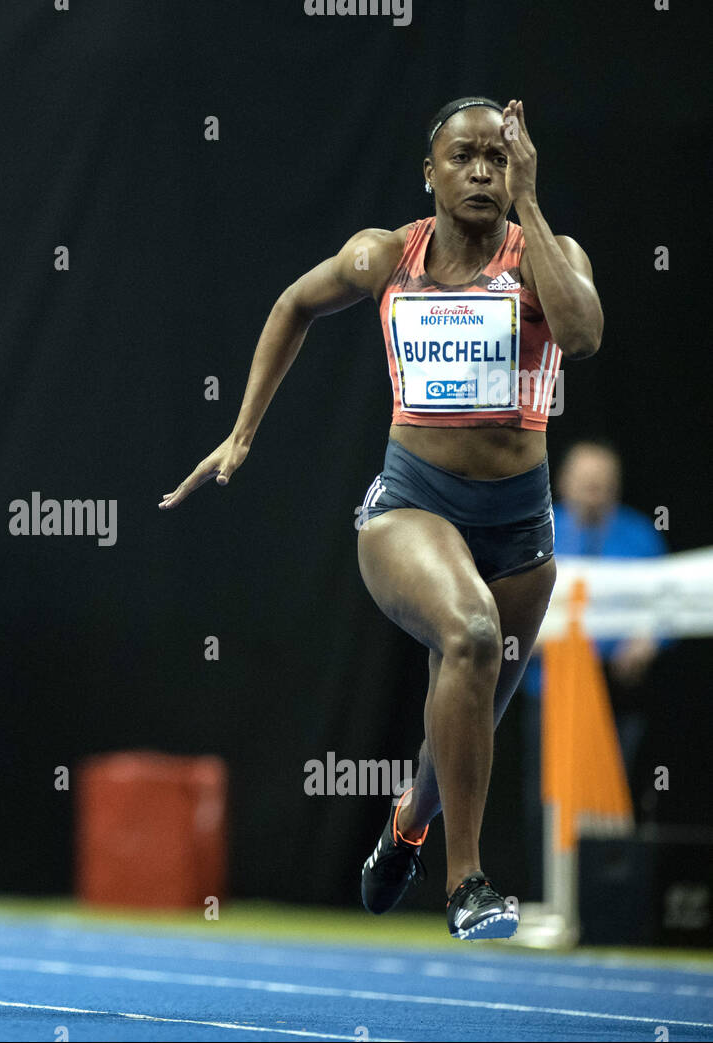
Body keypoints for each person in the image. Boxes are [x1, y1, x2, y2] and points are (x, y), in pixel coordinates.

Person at [161, 97, 602, 940]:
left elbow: (580, 336)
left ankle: (407, 822)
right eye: (463, 157)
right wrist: (242, 429)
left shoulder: (544, 255)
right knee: (468, 635)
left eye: (498, 160)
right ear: (428, 173)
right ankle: (466, 882)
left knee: (464, 717)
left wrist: (535, 205)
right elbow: (294, 303)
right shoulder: (384, 256)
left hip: (521, 536)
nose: (482, 172)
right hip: (411, 509)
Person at [519, 439, 668, 891]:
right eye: (585, 485)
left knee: (613, 787)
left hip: (616, 691)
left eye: (602, 486)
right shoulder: (536, 531)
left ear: (616, 489)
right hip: (549, 691)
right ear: (564, 483)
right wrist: (530, 639)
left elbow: (667, 605)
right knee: (546, 793)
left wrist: (649, 641)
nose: (593, 494)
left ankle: (607, 896)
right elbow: (511, 601)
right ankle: (546, 891)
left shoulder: (641, 536)